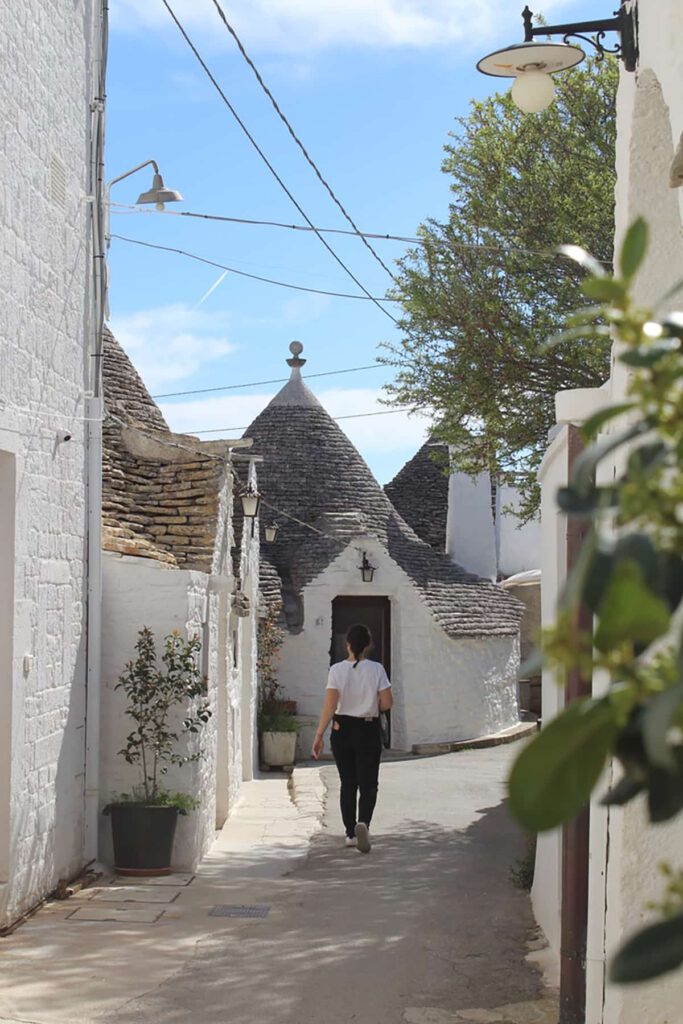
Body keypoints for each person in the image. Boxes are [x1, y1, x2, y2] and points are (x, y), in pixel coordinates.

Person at [311, 623, 393, 853]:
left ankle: (349, 833)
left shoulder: (336, 670)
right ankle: (363, 823)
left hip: (342, 728)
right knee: (368, 784)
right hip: (368, 728)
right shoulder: (377, 670)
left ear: (347, 644)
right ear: (368, 645)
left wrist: (319, 735)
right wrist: (372, 702)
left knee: (348, 783)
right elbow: (387, 703)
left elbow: (330, 704)